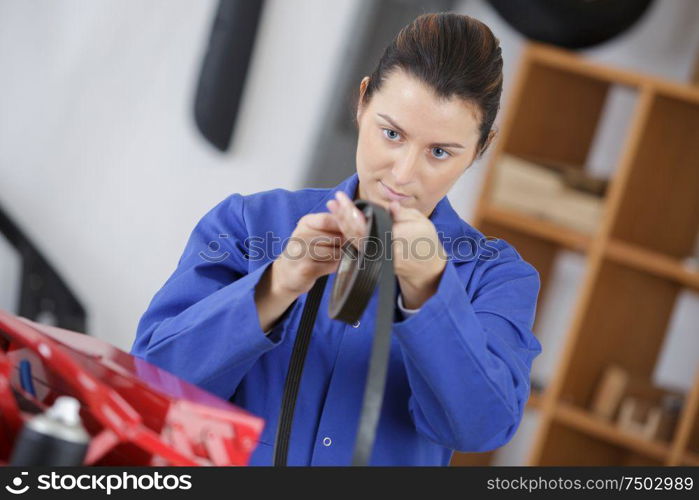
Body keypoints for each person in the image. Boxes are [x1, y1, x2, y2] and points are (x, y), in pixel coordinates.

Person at [130, 12, 542, 466]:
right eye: (392, 134)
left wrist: (430, 292)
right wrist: (278, 285)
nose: (404, 175)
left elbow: (481, 427)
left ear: (480, 149)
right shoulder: (248, 224)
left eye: (440, 152)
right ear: (363, 101)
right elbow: (151, 381)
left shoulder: (496, 276)